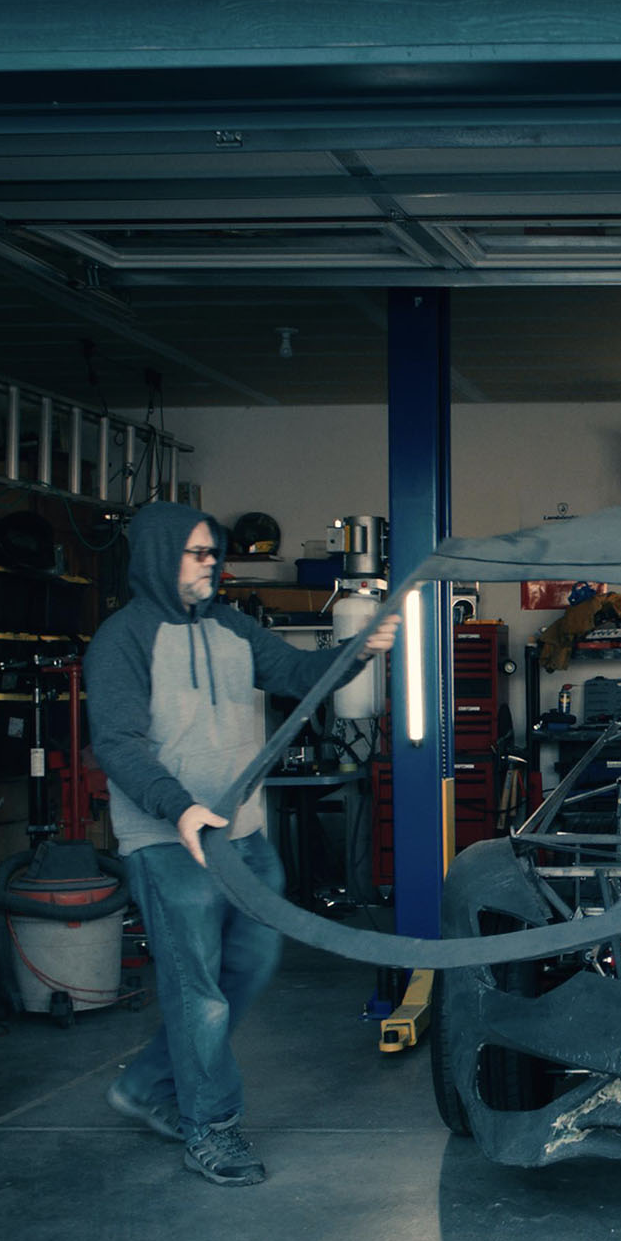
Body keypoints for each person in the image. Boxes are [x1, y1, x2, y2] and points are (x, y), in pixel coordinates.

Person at [86, 502, 398, 1186]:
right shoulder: (123, 640)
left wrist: (357, 651)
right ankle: (211, 1126)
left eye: (212, 552)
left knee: (249, 965)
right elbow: (116, 742)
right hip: (171, 842)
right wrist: (180, 808)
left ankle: (146, 1083)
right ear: (159, 556)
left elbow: (294, 675)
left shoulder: (232, 626)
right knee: (198, 992)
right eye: (196, 553)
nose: (211, 564)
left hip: (245, 835)